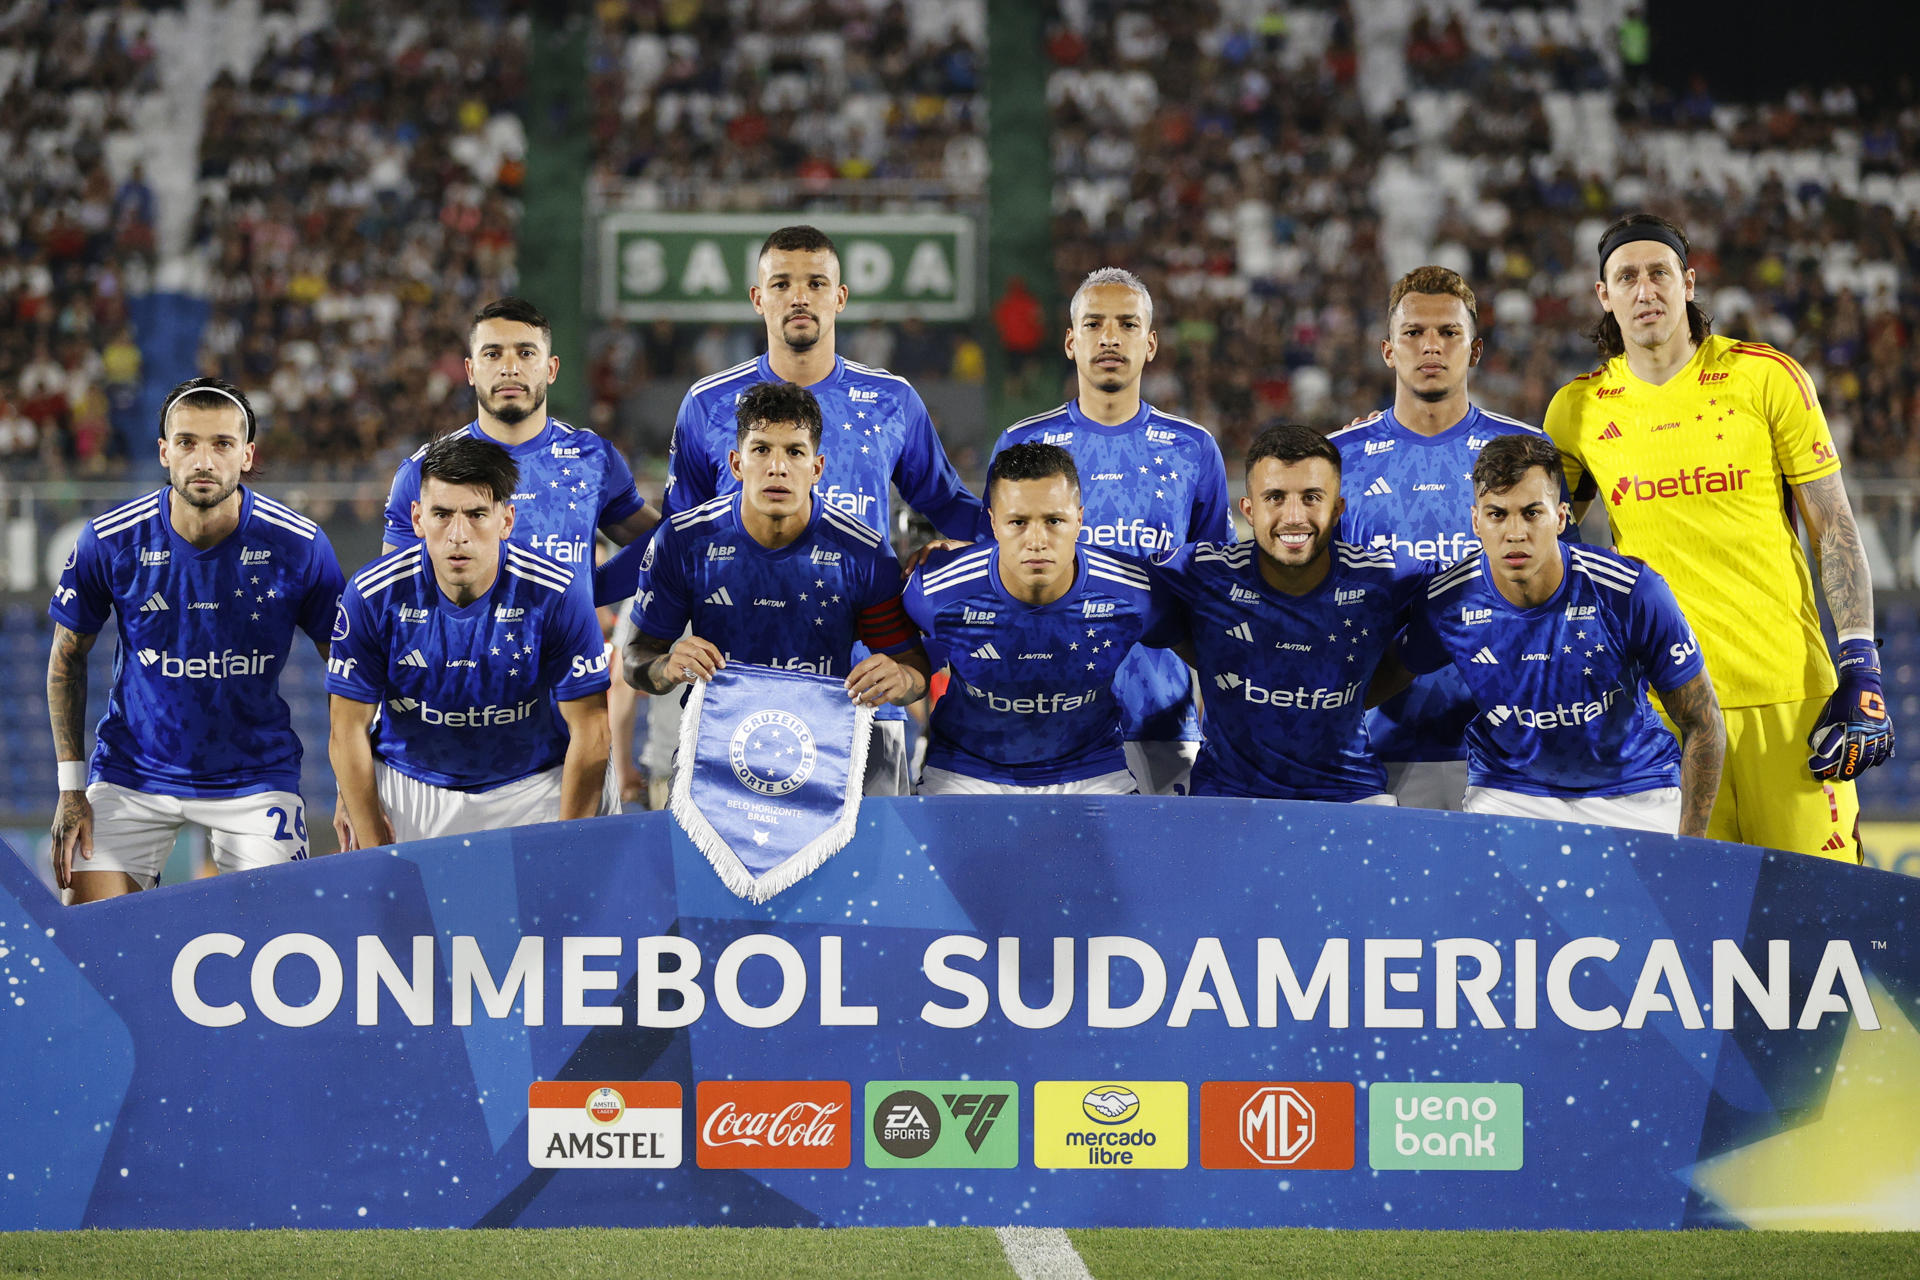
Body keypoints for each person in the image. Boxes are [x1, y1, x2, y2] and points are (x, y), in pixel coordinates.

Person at [1544, 213, 1892, 860]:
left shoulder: (1764, 377)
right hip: (1665, 713)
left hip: (1791, 702)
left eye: (1659, 273)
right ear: (1604, 295)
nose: (1644, 290)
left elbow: (1834, 524)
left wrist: (1861, 661)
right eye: (1626, 277)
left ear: (1689, 282)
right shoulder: (1577, 410)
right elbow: (1538, 539)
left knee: (1816, 936)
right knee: (1687, 940)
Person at [653, 225, 984, 792]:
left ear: (840, 296)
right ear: (758, 298)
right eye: (781, 283)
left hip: (866, 698)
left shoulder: (892, 401)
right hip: (736, 703)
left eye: (815, 283)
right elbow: (672, 540)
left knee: (875, 879)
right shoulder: (707, 405)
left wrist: (997, 546)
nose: (799, 297)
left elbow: (951, 506)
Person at [47, 377, 344, 902]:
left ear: (247, 454)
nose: (203, 460)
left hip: (255, 778)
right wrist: (72, 787)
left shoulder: (299, 546)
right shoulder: (110, 540)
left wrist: (354, 790)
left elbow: (349, 674)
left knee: (278, 936)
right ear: (164, 452)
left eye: (222, 444)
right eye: (187, 442)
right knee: (86, 944)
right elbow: (66, 659)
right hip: (133, 773)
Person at [1330, 265, 1571, 812]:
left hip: (1512, 755)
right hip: (1370, 751)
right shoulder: (1336, 460)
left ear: (1476, 349)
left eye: (1449, 333)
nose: (1431, 346)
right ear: (1388, 350)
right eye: (1413, 333)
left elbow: (1565, 597)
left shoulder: (1529, 451)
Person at [1399, 434, 1724, 835]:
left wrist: (1691, 846)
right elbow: (1385, 673)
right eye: (1497, 514)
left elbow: (1703, 721)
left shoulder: (1630, 591)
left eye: (1532, 513)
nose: (1515, 532)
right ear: (1475, 521)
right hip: (1510, 791)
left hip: (1633, 789)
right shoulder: (1448, 601)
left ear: (1561, 517)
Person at [992, 267, 1232, 796]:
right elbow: (993, 588)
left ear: (1149, 344)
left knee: (1161, 878)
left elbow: (1217, 597)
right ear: (1070, 341)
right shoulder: (1020, 445)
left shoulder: (1193, 449)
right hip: (1043, 721)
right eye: (1094, 323)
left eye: (1126, 324)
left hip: (1160, 726)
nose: (1109, 337)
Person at [622, 382, 932, 761]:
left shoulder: (863, 553)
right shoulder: (684, 541)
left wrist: (902, 680)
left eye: (795, 452)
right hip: (716, 755)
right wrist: (667, 667)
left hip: (826, 757)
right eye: (762, 449)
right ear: (737, 463)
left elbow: (912, 667)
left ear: (816, 468)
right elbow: (635, 659)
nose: (778, 467)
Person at [328, 436, 612, 845]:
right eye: (442, 514)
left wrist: (566, 846)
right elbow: (346, 728)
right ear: (417, 518)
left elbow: (591, 729)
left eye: (477, 514)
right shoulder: (372, 595)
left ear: (506, 520)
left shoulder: (558, 594)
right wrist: (375, 849)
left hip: (533, 786)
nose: (458, 534)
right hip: (411, 786)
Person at [1147, 424, 1422, 802]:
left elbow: (1467, 598)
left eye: (1311, 497)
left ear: (1338, 508)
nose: (1294, 517)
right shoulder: (1201, 571)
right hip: (1226, 797)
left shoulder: (1387, 577)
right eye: (1275, 497)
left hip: (1352, 796)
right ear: (1248, 509)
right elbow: (1115, 585)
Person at [903, 442, 1163, 794]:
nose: (1037, 541)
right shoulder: (933, 587)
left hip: (1092, 770)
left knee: (1130, 851)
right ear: (993, 523)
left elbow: (1202, 647)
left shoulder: (1134, 592)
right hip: (965, 772)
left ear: (1080, 519)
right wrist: (908, 674)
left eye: (1054, 520)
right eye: (1018, 522)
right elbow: (910, 660)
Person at [381, 296, 660, 575]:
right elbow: (391, 594)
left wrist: (590, 594)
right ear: (470, 371)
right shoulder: (424, 470)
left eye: (526, 353)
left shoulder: (593, 458)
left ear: (551, 369)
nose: (509, 368)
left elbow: (664, 544)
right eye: (492, 354)